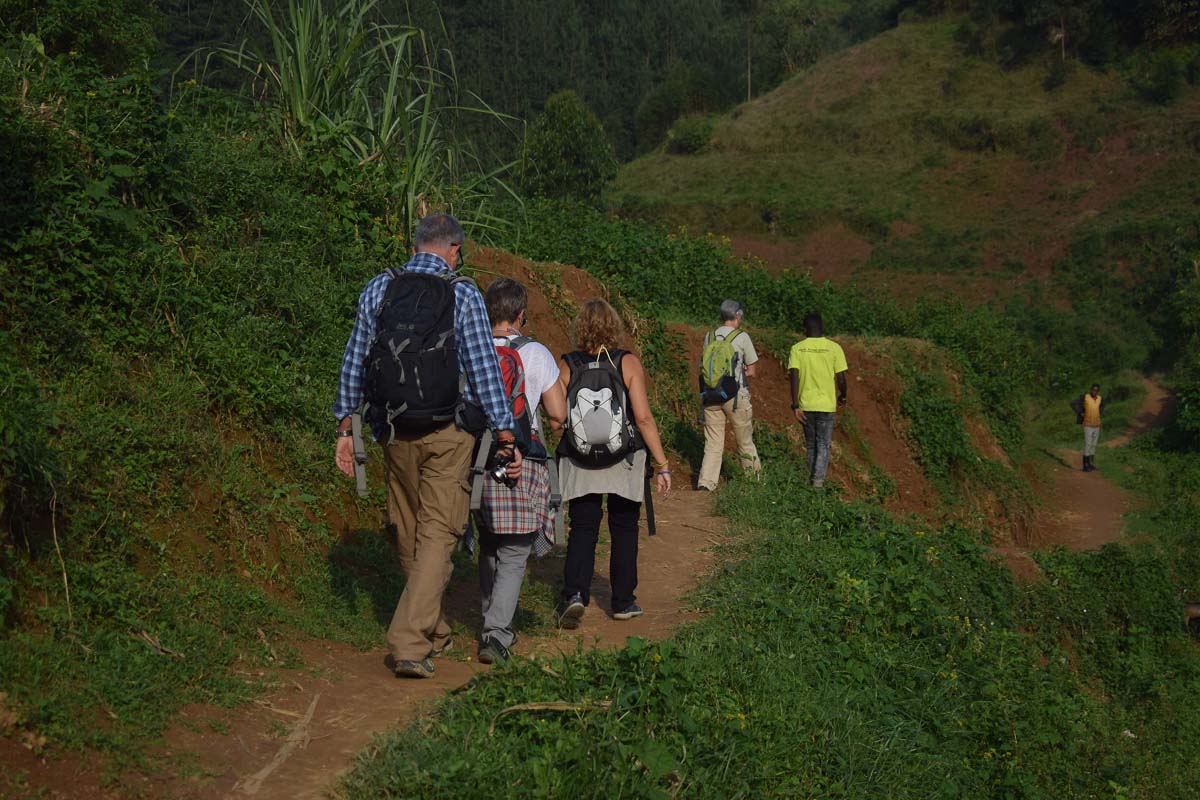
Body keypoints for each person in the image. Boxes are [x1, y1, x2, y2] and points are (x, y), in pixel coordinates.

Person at [332, 213, 522, 679]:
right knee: (439, 533)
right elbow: (482, 369)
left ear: (415, 246)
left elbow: (355, 358)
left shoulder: (379, 287)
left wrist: (344, 427)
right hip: (448, 432)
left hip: (393, 430)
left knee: (407, 526)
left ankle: (434, 629)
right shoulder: (462, 292)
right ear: (454, 249)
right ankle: (409, 642)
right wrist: (505, 433)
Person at [553, 298, 672, 628]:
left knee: (583, 526)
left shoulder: (567, 364)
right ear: (615, 327)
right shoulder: (627, 362)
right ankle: (622, 601)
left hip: (579, 460)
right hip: (624, 459)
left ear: (581, 327)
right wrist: (662, 464)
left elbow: (555, 419)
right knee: (623, 528)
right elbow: (644, 418)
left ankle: (574, 594)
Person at [475, 278, 567, 664]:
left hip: (474, 456)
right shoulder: (536, 353)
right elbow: (558, 413)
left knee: (489, 540)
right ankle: (495, 633)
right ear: (521, 315)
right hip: (519, 457)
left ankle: (490, 617)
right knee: (514, 550)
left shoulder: (472, 348)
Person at [696, 300, 762, 491]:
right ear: (738, 315)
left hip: (711, 395)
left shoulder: (709, 336)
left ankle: (706, 484)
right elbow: (752, 371)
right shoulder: (742, 337)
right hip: (735, 397)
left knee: (713, 443)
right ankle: (754, 484)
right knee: (745, 442)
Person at [787, 313, 848, 489]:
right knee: (823, 445)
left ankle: (810, 480)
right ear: (822, 327)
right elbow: (842, 379)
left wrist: (795, 405)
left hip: (806, 405)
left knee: (811, 445)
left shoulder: (797, 348)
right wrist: (842, 396)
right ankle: (818, 484)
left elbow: (794, 377)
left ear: (805, 329)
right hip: (826, 405)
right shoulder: (834, 348)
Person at [1070, 383, 1104, 472]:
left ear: (1098, 391)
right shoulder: (1085, 397)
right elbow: (1073, 403)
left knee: (1093, 445)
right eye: (1093, 389)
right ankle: (1085, 466)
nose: (1094, 391)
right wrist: (1080, 412)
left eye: (1096, 390)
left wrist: (1099, 414)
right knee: (1088, 444)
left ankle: (1091, 464)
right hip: (1088, 424)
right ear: (1091, 389)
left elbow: (1101, 408)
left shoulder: (1100, 398)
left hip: (1097, 425)